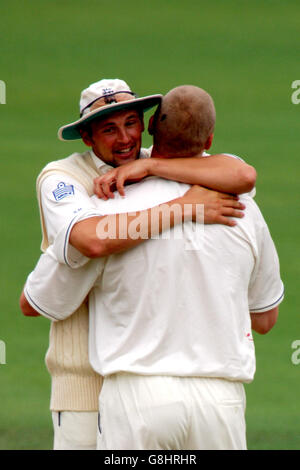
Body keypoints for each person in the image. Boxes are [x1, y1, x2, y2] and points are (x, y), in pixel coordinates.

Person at [21, 84, 282, 450]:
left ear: (151, 128)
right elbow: (266, 318)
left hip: (135, 393)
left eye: (131, 123)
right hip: (218, 397)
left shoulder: (111, 207)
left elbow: (35, 301)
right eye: (108, 128)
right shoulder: (241, 210)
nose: (125, 137)